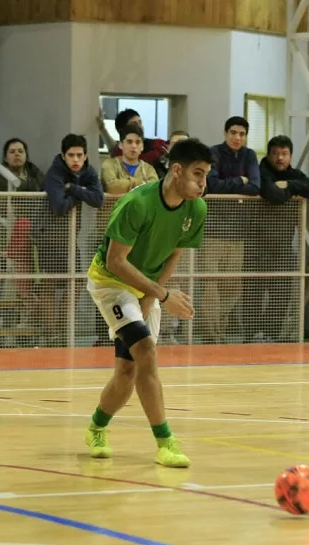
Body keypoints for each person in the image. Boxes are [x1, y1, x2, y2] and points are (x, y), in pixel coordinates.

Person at [84, 138, 214, 467]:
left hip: (145, 287)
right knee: (146, 351)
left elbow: (174, 253)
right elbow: (116, 261)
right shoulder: (137, 203)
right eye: (198, 174)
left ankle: (96, 427)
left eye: (207, 175)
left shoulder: (196, 209)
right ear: (176, 170)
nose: (203, 183)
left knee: (128, 371)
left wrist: (152, 294)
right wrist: (164, 296)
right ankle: (166, 442)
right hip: (110, 282)